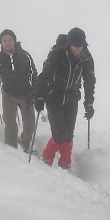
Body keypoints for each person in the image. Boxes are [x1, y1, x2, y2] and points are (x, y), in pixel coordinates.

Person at [34, 27, 95, 169]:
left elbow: (89, 81)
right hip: (54, 96)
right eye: (75, 45)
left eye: (81, 45)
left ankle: (65, 163)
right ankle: (46, 159)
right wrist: (40, 96)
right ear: (69, 43)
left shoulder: (86, 58)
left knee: (68, 133)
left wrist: (89, 103)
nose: (78, 48)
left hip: (72, 98)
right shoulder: (58, 53)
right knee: (59, 133)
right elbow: (46, 74)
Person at [0, 29, 38, 151]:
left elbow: (33, 73)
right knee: (10, 125)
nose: (8, 43)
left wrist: (35, 91)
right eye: (4, 41)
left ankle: (24, 141)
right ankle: (11, 151)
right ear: (1, 43)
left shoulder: (24, 55)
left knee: (30, 126)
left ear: (14, 41)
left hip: (26, 94)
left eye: (10, 40)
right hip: (8, 95)